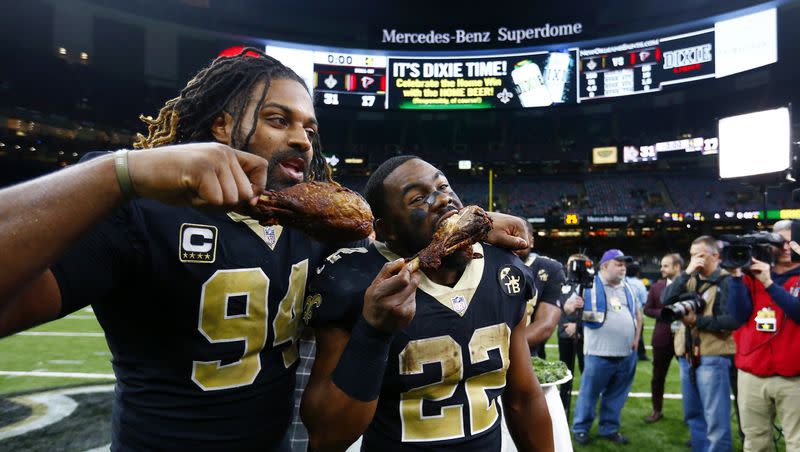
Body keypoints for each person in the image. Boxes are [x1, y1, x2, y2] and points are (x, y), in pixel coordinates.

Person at [0, 49, 531, 450]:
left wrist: (477, 224)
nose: (303, 140)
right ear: (222, 125)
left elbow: (399, 236)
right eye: (280, 120)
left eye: (310, 127)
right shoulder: (144, 212)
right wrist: (119, 172)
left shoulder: (313, 226)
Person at [300, 156, 554, 451]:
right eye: (418, 198)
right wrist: (373, 332)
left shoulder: (503, 267)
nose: (443, 199)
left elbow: (523, 398)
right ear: (386, 231)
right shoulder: (353, 281)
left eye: (444, 186)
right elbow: (326, 436)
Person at [661, 236, 741, 452]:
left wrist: (698, 321)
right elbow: (666, 300)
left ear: (716, 255)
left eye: (700, 255)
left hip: (713, 355)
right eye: (692, 254)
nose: (695, 259)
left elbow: (732, 321)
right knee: (693, 415)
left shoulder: (728, 280)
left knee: (716, 421)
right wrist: (686, 272)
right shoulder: (691, 278)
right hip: (687, 356)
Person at [727, 220, 800, 451]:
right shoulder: (751, 275)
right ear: (769, 245)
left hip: (794, 377)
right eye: (781, 242)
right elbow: (738, 317)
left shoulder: (770, 277)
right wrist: (737, 277)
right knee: (755, 441)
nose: (787, 247)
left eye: (793, 241)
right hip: (752, 374)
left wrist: (768, 283)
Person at [572, 249, 642, 446]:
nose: (623, 268)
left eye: (624, 264)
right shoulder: (587, 285)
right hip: (598, 353)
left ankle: (609, 428)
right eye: (618, 264)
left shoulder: (628, 287)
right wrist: (573, 307)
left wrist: (636, 339)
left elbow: (638, 315)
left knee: (617, 395)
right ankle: (581, 428)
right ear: (604, 266)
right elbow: (568, 307)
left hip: (627, 353)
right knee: (589, 394)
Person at [642, 253, 683, 423]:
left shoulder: (690, 284)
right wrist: (665, 313)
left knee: (691, 379)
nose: (661, 269)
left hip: (685, 337)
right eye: (662, 265)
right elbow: (647, 309)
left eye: (665, 265)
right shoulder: (657, 286)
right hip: (662, 338)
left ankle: (693, 415)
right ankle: (656, 410)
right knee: (657, 377)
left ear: (677, 267)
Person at [518, 222, 565, 360]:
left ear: (531, 241)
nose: (514, 241)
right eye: (508, 235)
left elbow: (545, 325)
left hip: (527, 356)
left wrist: (503, 348)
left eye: (520, 235)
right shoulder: (485, 264)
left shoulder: (549, 269)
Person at [557, 253, 588, 418]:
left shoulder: (589, 285)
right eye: (571, 263)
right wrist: (565, 325)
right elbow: (555, 308)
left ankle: (586, 406)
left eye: (577, 264)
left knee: (586, 370)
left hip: (584, 336)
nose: (573, 267)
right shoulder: (561, 283)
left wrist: (579, 326)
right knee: (566, 371)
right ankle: (563, 404)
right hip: (564, 334)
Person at [626, 261, 649, 361]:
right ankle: (640, 354)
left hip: (623, 311)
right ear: (637, 272)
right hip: (636, 312)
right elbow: (644, 300)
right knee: (638, 334)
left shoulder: (623, 281)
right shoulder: (640, 283)